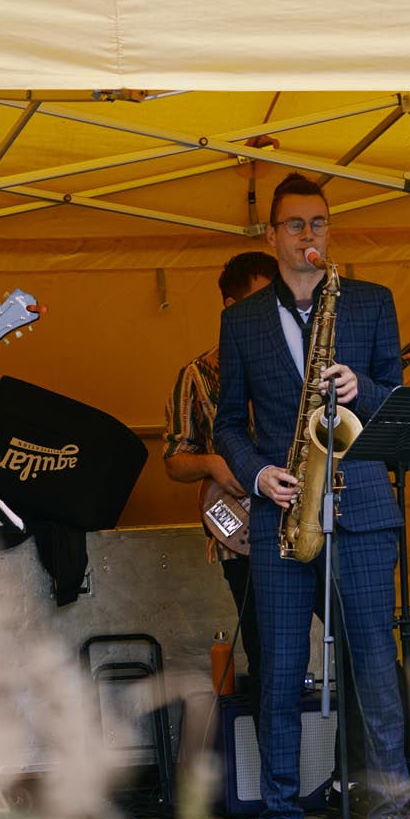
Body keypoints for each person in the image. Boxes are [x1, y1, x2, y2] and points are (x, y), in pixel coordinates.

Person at [214, 172, 410, 819]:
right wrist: (256, 474)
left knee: (374, 672)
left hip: (361, 510)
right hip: (283, 515)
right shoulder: (241, 321)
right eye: (296, 225)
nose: (310, 236)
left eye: (320, 224)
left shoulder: (369, 303)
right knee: (275, 675)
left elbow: (396, 397)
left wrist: (365, 387)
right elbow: (226, 424)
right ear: (270, 236)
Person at [162, 251, 279, 712]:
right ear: (231, 307)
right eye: (262, 300)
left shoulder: (299, 366)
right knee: (266, 648)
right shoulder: (196, 375)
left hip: (301, 525)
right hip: (243, 533)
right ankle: (275, 774)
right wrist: (212, 464)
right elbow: (173, 459)